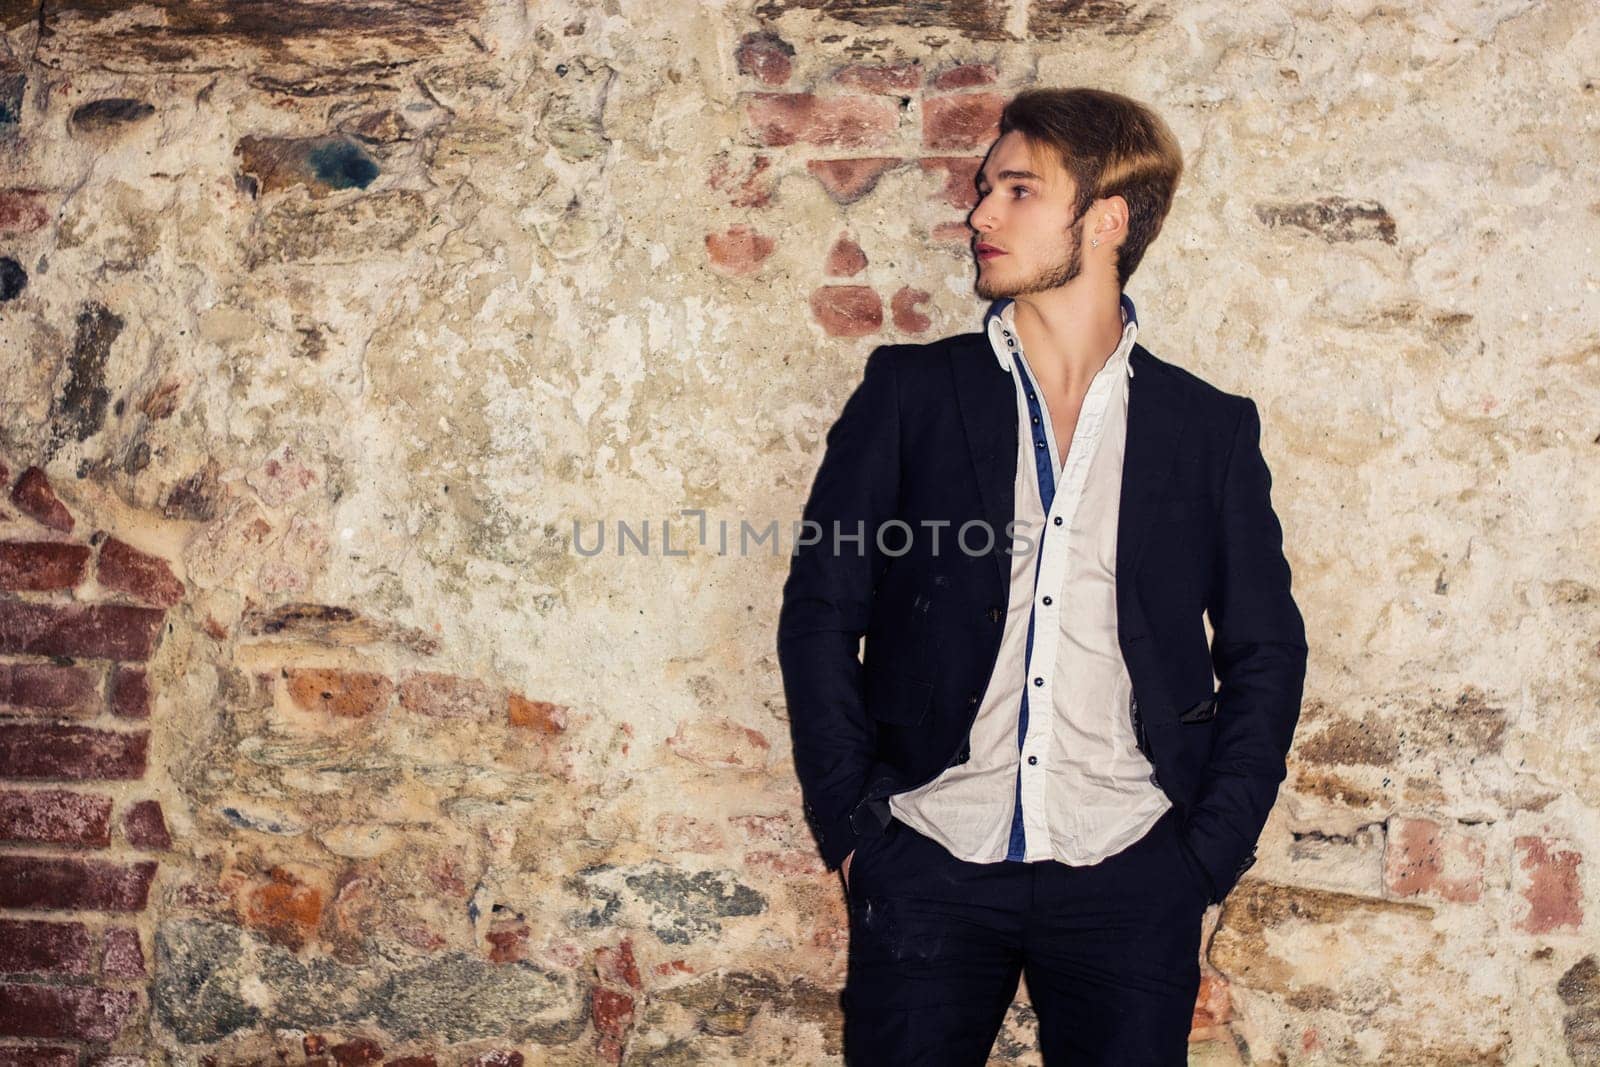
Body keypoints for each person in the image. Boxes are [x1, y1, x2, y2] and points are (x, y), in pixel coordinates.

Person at [775, 87, 1308, 1065]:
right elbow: (820, 611)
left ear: (1105, 218)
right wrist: (854, 828)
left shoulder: (1205, 430)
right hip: (929, 858)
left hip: (1132, 872)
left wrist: (1204, 854)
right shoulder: (912, 396)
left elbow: (1266, 648)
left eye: (1016, 190)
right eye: (984, 189)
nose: (978, 213)